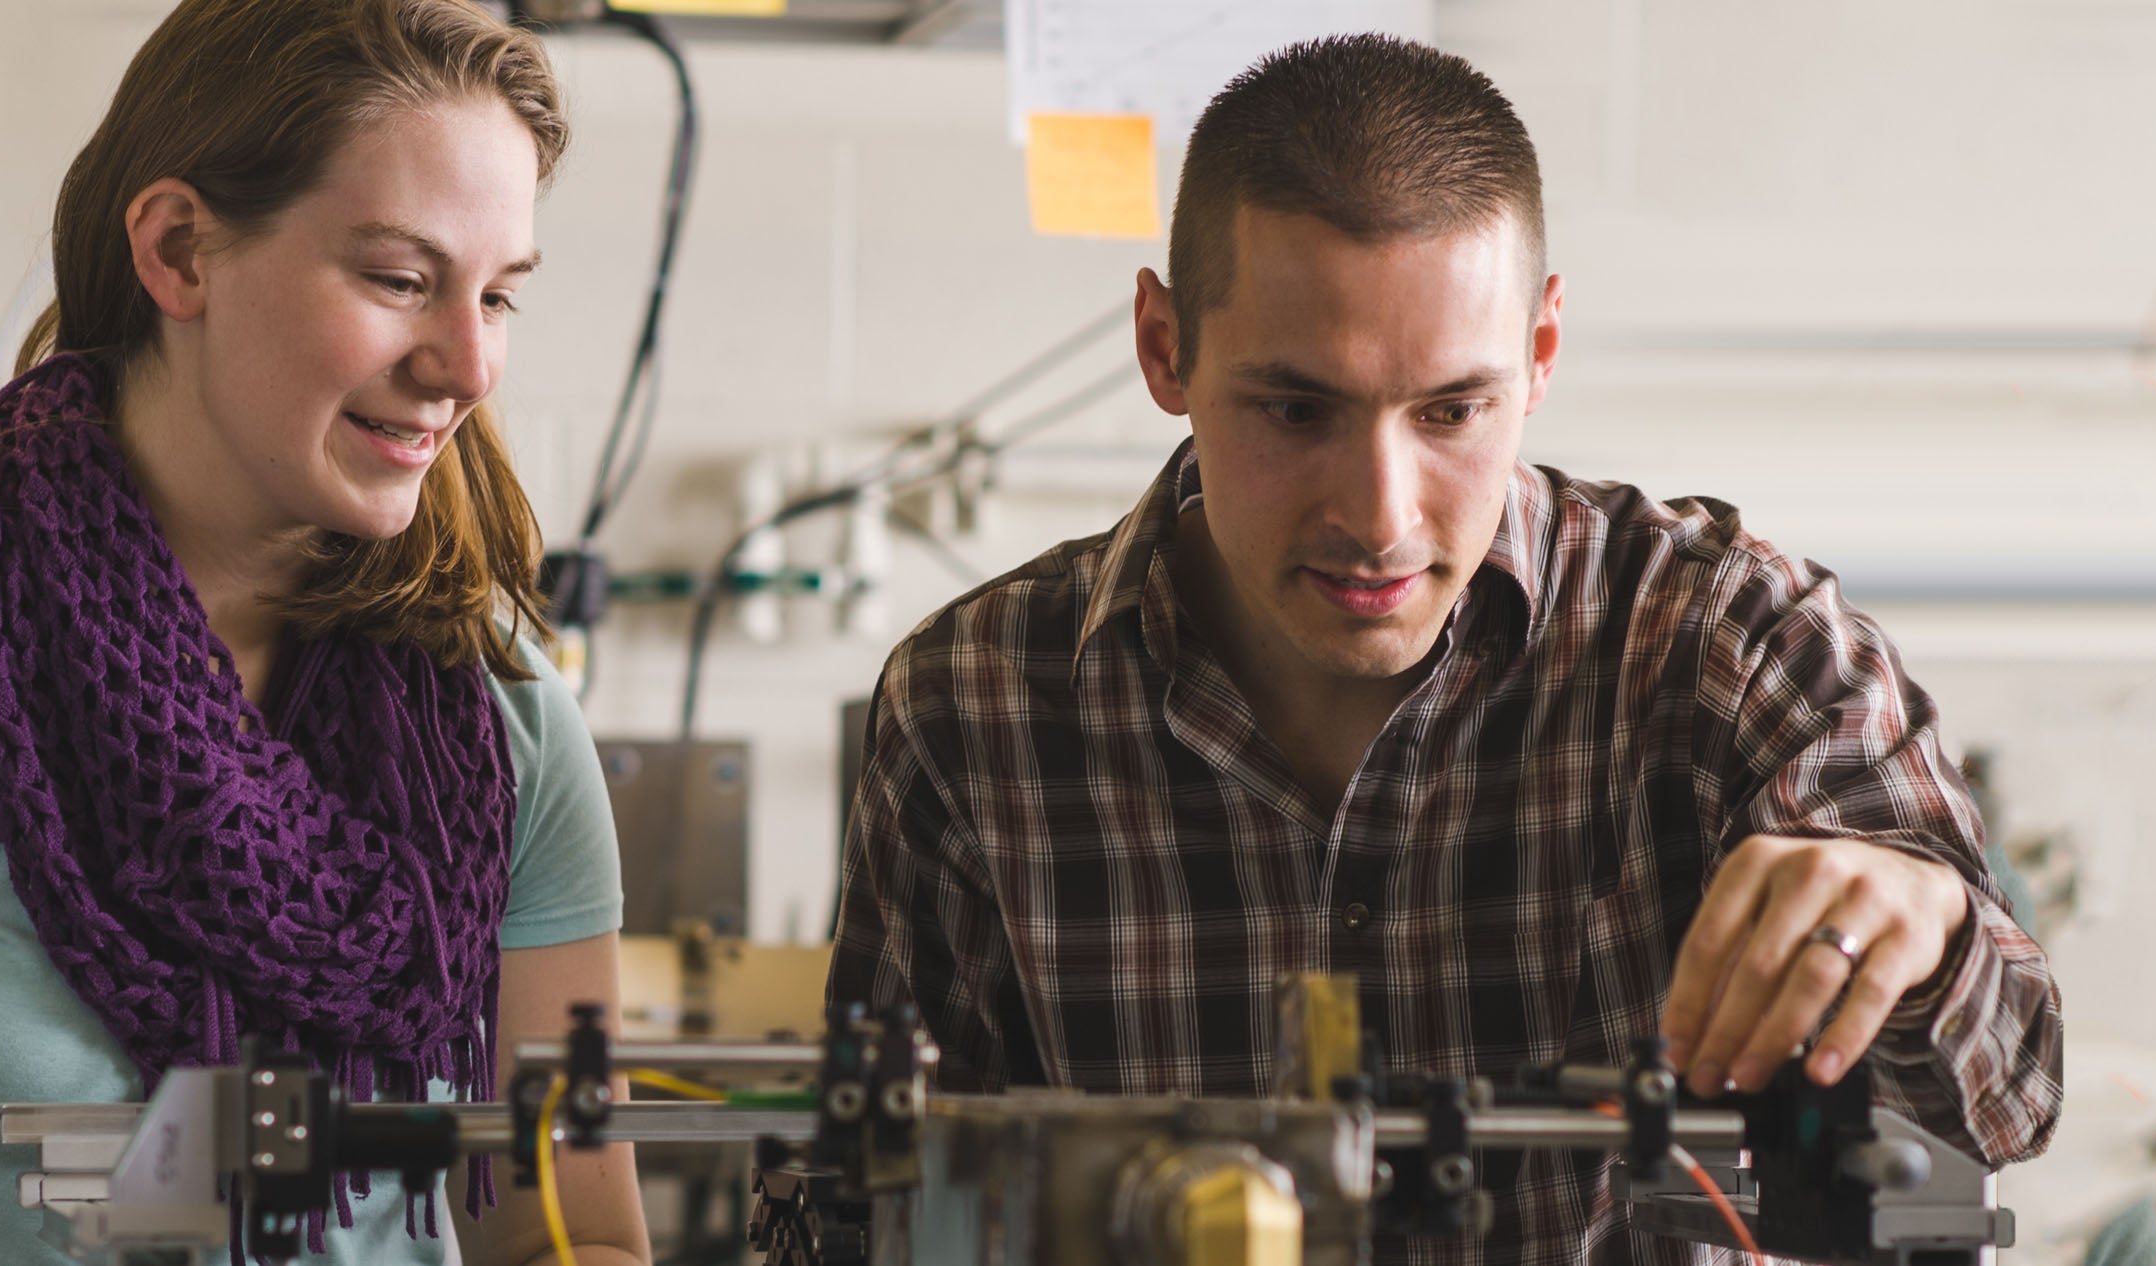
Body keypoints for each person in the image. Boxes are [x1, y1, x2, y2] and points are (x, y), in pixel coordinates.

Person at [824, 34, 2061, 1266]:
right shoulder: (973, 706)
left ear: (1539, 352)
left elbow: (2004, 1105)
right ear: (1163, 347)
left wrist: (1925, 922)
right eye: (1295, 410)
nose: (1379, 514)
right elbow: (863, 1207)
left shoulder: (1725, 644)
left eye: (1449, 412)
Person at [0, 3, 648, 1263]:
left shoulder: (499, 720)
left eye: (499, 296)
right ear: (179, 249)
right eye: (398, 280)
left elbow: (565, 1235)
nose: (468, 365)